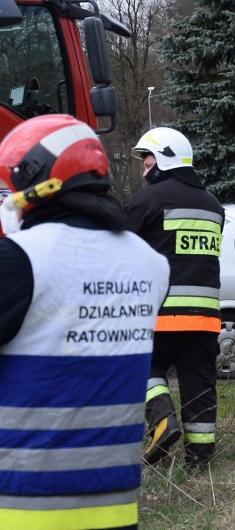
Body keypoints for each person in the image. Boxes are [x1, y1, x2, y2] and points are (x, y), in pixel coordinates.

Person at [0, 115, 169, 529]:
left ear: (36, 181)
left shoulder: (21, 260)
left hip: (23, 506)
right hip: (113, 507)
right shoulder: (150, 264)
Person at [126, 127, 225, 469]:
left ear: (165, 158)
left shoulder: (148, 200)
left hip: (159, 315)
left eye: (147, 159)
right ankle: (199, 460)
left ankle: (162, 419)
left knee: (137, 364)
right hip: (205, 319)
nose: (144, 169)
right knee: (200, 387)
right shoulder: (214, 205)